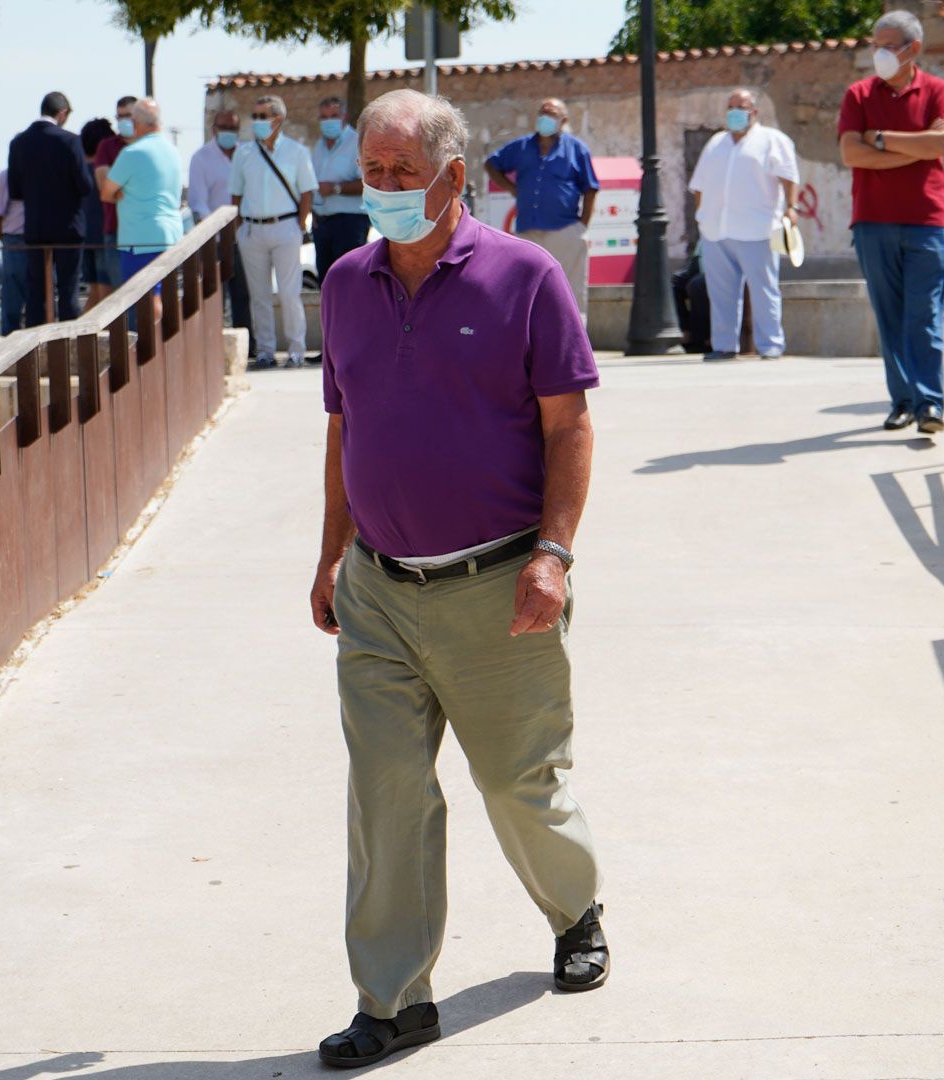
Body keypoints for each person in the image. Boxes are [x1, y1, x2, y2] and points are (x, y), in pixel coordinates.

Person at [310, 88, 607, 1070]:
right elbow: (343, 428)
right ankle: (393, 1001)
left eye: (401, 173)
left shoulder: (525, 279)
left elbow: (569, 429)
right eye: (371, 172)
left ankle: (575, 910)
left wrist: (553, 557)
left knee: (519, 784)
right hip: (379, 591)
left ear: (453, 176)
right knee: (386, 791)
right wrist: (329, 555)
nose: (382, 190)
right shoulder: (347, 283)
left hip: (500, 584)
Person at [838, 10, 944, 435]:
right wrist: (917, 148)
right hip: (873, 222)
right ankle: (902, 401)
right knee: (890, 318)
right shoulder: (858, 94)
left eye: (888, 45)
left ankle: (930, 404)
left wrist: (883, 139)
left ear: (913, 49)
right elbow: (852, 154)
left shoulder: (937, 90)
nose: (879, 53)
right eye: (876, 45)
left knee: (923, 316)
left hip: (928, 222)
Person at [687, 90, 800, 361]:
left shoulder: (772, 140)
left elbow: (789, 177)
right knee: (721, 293)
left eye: (741, 106)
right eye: (730, 107)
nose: (735, 111)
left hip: (758, 229)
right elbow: (699, 185)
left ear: (754, 111)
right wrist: (702, 216)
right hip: (717, 230)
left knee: (764, 290)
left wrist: (791, 209)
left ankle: (771, 345)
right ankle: (724, 346)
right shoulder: (716, 143)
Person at [485, 99, 599, 317]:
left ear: (563, 120)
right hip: (529, 230)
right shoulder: (522, 147)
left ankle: (574, 343)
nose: (545, 117)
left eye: (552, 113)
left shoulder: (576, 149)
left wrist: (581, 226)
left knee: (570, 291)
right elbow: (492, 164)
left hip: (565, 229)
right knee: (528, 289)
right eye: (542, 112)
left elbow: (591, 188)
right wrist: (512, 188)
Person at [230, 94, 315, 369]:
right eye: (254, 116)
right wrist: (240, 230)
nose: (256, 122)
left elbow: (307, 193)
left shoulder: (297, 152)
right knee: (259, 296)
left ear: (277, 120)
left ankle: (296, 349)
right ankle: (265, 350)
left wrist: (299, 226)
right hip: (253, 229)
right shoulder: (243, 153)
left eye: (261, 116)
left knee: (289, 293)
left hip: (286, 227)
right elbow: (236, 195)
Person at [8, 91, 93, 324]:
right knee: (68, 292)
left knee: (37, 293)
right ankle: (68, 344)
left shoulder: (19, 142)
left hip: (36, 228)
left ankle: (34, 346)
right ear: (62, 113)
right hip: (68, 228)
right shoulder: (70, 140)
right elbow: (85, 186)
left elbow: (15, 191)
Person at [100, 98, 183, 325]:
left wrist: (120, 192)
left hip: (140, 238)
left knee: (147, 299)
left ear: (138, 123)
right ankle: (168, 348)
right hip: (171, 236)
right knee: (167, 297)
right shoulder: (173, 150)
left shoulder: (132, 153)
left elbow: (106, 192)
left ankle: (154, 352)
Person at [188, 110, 250, 339]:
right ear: (214, 129)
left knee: (245, 294)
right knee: (215, 295)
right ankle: (214, 341)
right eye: (224, 127)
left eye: (233, 128)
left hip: (245, 235)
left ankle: (249, 344)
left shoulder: (248, 153)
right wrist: (220, 228)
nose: (228, 133)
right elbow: (198, 202)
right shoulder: (201, 158)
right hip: (214, 239)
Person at [310, 95, 369, 287]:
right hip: (322, 223)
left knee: (350, 283)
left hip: (349, 223)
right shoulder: (318, 147)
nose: (329, 121)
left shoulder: (357, 143)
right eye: (324, 117)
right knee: (326, 284)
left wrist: (336, 188)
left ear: (344, 117)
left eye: (333, 115)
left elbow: (368, 183)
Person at [88, 95, 139, 309]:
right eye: (119, 117)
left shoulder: (152, 145)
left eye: (128, 115)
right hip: (115, 232)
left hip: (144, 233)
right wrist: (135, 187)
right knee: (120, 298)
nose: (123, 121)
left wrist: (121, 186)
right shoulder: (107, 147)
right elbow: (105, 188)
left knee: (146, 296)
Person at [0, 168, 27, 335]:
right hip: (15, 241)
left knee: (42, 302)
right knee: (12, 303)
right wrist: (5, 239)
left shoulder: (46, 171)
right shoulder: (6, 177)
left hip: (41, 242)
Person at [78, 117, 115, 314]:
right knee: (105, 295)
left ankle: (77, 334)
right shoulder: (104, 171)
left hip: (85, 240)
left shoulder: (78, 171)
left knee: (95, 294)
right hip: (103, 239)